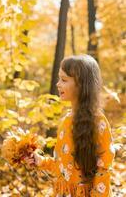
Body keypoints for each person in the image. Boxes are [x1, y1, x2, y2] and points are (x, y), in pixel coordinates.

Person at [26, 55, 115, 197]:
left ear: (81, 84)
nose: (58, 84)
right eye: (59, 78)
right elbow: (63, 168)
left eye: (64, 80)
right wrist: (41, 161)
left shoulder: (98, 122)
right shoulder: (66, 120)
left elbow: (103, 170)